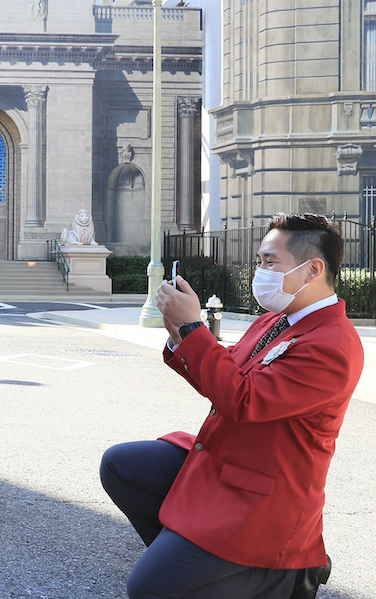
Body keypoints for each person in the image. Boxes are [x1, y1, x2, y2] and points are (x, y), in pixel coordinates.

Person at [100, 213, 363, 598]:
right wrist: (180, 337)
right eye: (259, 261)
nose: (260, 270)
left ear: (313, 270)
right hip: (225, 461)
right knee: (121, 466)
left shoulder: (332, 344)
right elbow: (225, 379)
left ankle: (280, 576)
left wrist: (195, 330)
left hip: (264, 497)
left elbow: (244, 400)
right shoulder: (277, 319)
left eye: (270, 262)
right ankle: (200, 564)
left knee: (148, 588)